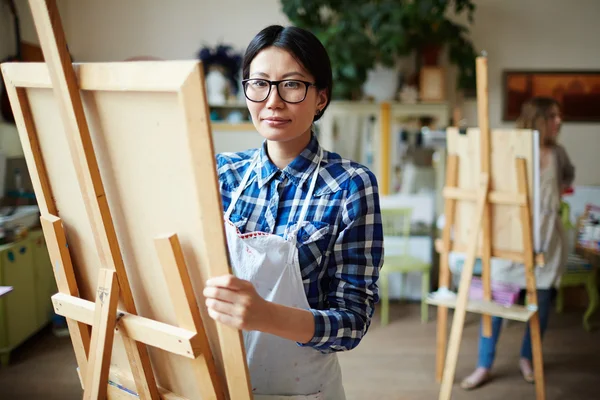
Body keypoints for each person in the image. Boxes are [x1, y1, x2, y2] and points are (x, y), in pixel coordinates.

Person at [202, 25, 384, 399]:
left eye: (292, 84)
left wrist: (263, 315)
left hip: (302, 388)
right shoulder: (222, 174)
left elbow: (352, 322)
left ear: (321, 98)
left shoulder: (350, 185)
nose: (272, 101)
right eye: (260, 83)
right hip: (219, 381)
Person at [460, 96, 575, 390]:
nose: (558, 122)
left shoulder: (558, 152)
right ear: (536, 118)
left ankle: (528, 357)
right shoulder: (511, 148)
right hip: (510, 237)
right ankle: (484, 364)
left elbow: (567, 182)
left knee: (541, 305)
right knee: (496, 302)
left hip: (548, 238)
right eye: (552, 116)